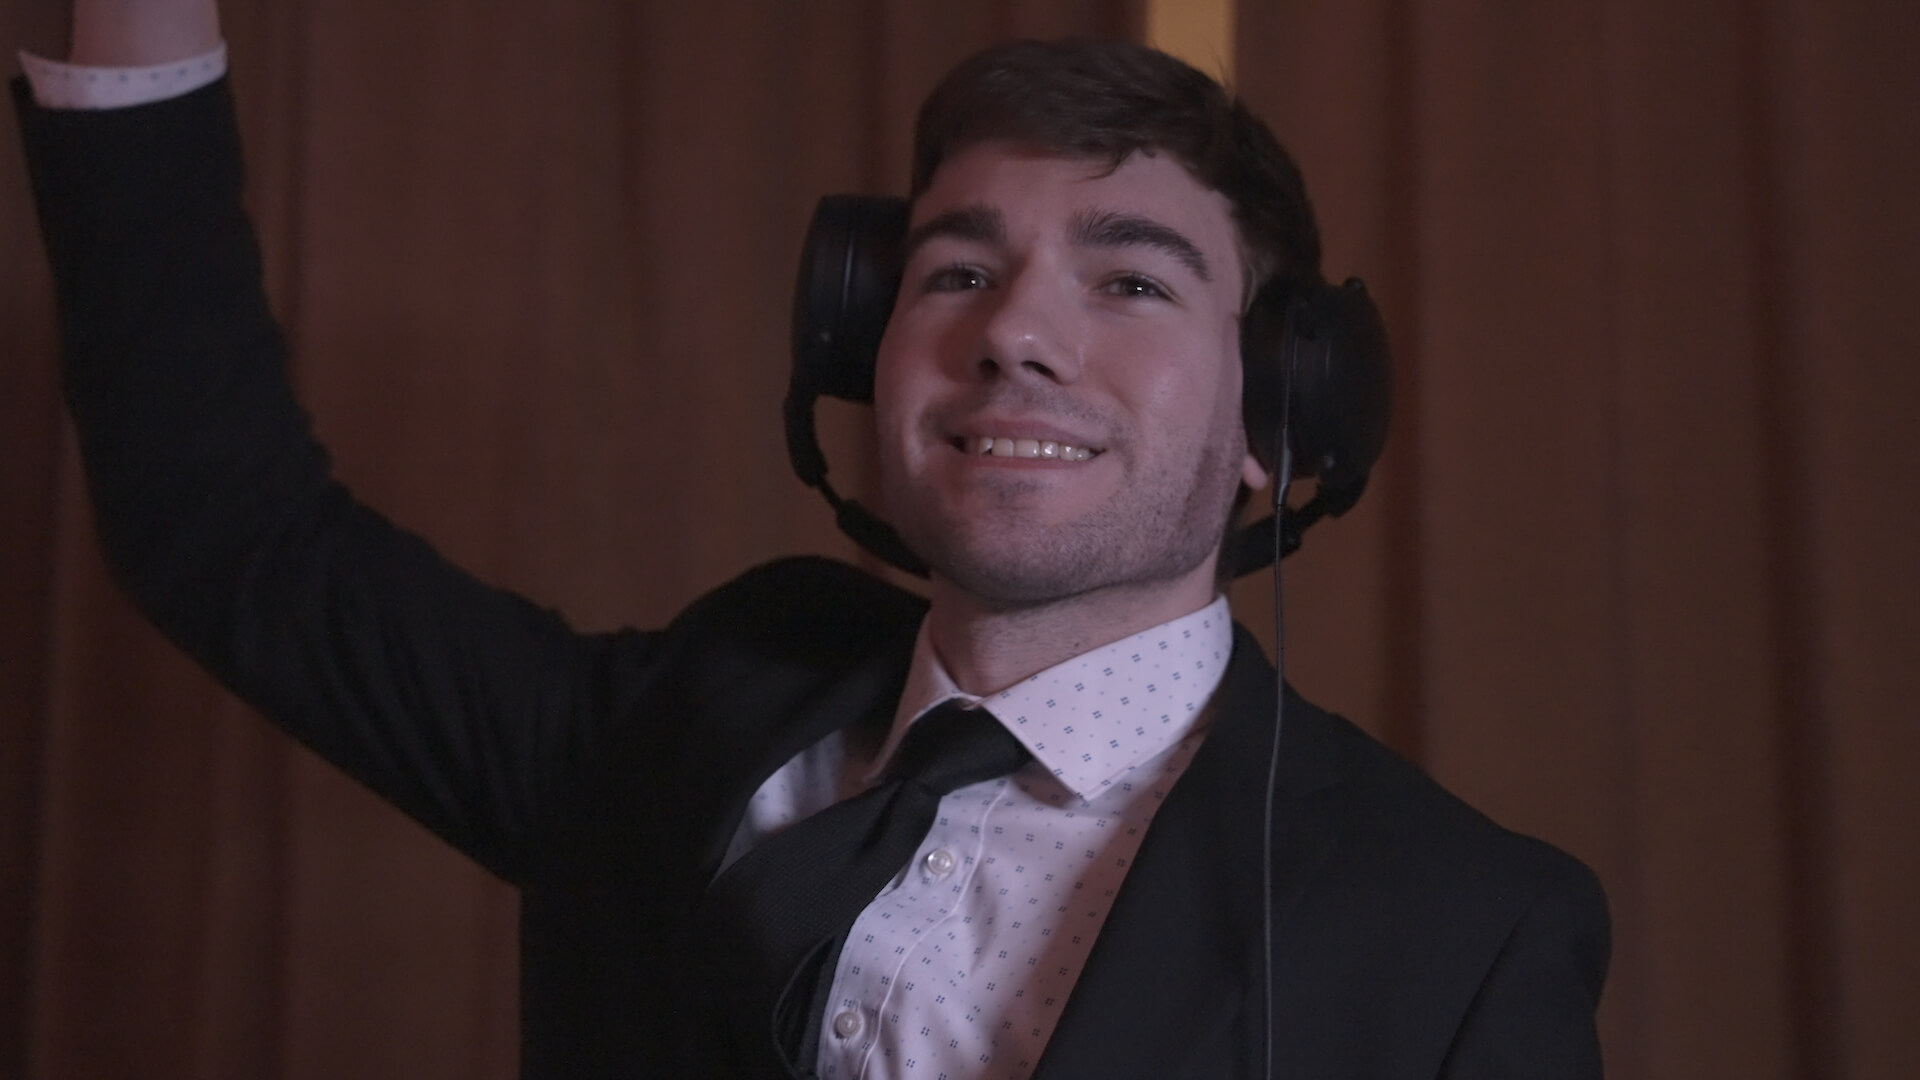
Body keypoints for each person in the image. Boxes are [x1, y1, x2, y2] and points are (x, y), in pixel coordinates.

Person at [13, 2, 1609, 1077]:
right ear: (864, 353)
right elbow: (225, 528)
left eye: (1128, 281)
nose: (1015, 340)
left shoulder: (1465, 930)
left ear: (1279, 418)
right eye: (953, 272)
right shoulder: (689, 715)